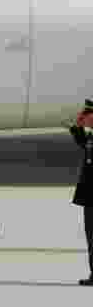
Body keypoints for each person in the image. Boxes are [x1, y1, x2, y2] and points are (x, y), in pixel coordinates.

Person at [68, 100, 93, 285]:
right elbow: (80, 136)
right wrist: (80, 120)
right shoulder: (90, 139)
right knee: (91, 236)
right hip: (89, 195)